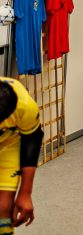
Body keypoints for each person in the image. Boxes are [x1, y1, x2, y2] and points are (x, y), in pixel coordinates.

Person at [0, 77, 41, 232]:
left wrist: (25, 192)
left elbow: (32, 139)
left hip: (8, 144)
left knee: (3, 208)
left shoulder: (23, 105)